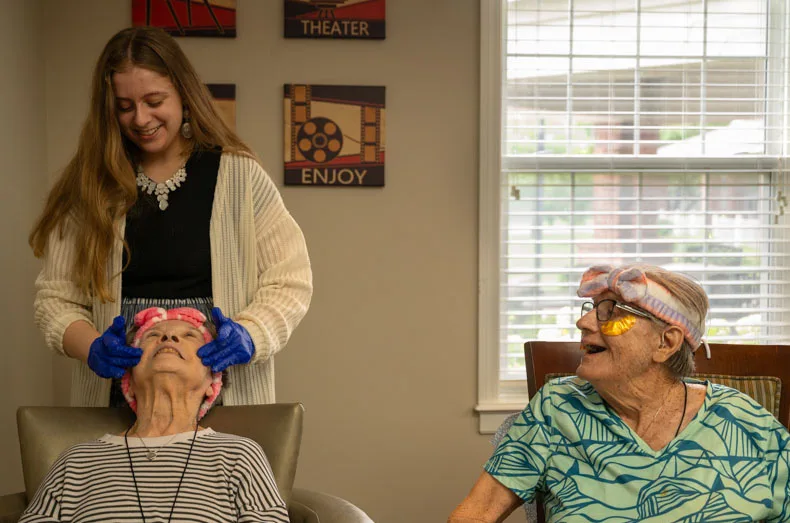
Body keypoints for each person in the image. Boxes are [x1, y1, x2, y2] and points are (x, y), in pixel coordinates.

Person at [29, 26, 312, 408]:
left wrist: (252, 334)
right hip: (121, 393)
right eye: (124, 106)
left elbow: (290, 281)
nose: (141, 118)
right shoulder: (92, 185)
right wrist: (92, 347)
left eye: (154, 100)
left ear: (183, 91)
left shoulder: (238, 176)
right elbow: (55, 300)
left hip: (222, 390)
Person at [449, 264, 790, 522]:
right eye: (591, 310)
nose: (584, 324)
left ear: (666, 342)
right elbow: (477, 512)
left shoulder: (746, 423)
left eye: (610, 312)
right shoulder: (557, 408)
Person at [20, 307, 289, 522]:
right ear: (129, 379)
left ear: (212, 383)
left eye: (189, 335)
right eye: (152, 336)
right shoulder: (76, 461)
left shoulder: (240, 455)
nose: (168, 338)